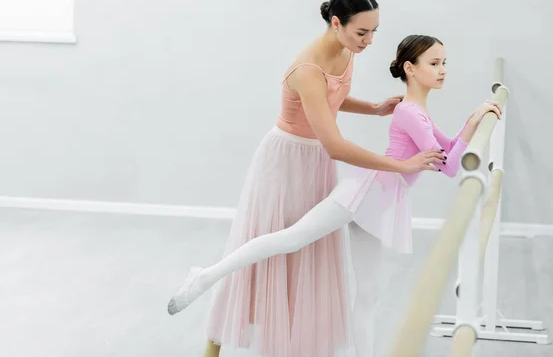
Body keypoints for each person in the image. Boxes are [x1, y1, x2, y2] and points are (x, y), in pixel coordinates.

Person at [168, 34, 502, 356]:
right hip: (367, 192)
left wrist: (473, 119)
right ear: (410, 68)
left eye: (444, 62)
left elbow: (447, 157)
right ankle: (206, 275)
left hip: (384, 201)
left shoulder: (417, 111)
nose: (443, 69)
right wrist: (473, 121)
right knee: (290, 239)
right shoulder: (409, 113)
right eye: (434, 62)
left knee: (368, 295)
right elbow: (449, 163)